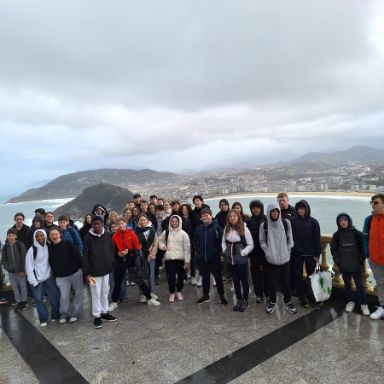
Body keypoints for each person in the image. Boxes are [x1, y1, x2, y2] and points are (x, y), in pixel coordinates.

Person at [109, 217, 160, 311]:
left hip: (131, 260)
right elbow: (112, 251)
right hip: (120, 261)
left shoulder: (131, 233)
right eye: (119, 224)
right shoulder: (114, 237)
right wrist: (118, 254)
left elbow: (137, 249)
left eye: (122, 223)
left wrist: (129, 251)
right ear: (117, 226)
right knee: (118, 282)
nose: (121, 225)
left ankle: (149, 298)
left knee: (139, 279)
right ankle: (114, 301)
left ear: (125, 224)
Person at [259, 204, 297, 315]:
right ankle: (272, 302)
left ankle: (288, 301)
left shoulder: (286, 223)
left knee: (286, 281)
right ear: (269, 212)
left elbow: (290, 239)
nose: (274, 213)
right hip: (270, 260)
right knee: (271, 282)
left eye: (276, 211)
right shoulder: (264, 225)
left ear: (279, 212)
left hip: (285, 259)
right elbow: (262, 241)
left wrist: (288, 250)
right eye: (272, 211)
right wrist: (267, 252)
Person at [331, 213, 369, 316]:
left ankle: (364, 304)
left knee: (360, 286)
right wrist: (338, 261)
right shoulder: (337, 235)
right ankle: (350, 302)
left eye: (345, 220)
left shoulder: (357, 233)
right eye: (341, 221)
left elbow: (364, 248)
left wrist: (360, 260)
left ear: (349, 221)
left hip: (356, 265)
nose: (343, 222)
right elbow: (333, 250)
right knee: (347, 285)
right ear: (338, 223)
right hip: (344, 265)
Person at [82, 216, 117, 329]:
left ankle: (104, 312)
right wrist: (87, 273)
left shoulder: (107, 235)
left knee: (105, 292)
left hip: (106, 269)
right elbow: (85, 256)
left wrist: (110, 260)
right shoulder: (87, 238)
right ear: (92, 225)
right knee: (95, 294)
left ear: (102, 224)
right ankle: (97, 316)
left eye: (98, 224)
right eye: (94, 224)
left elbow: (112, 248)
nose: (96, 226)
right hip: (93, 272)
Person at [25, 230, 60, 327]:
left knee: (55, 296)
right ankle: (43, 319)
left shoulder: (48, 246)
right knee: (38, 300)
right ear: (34, 238)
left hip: (49, 277)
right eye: (37, 236)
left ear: (45, 236)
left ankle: (55, 315)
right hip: (37, 280)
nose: (40, 238)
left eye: (41, 235)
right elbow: (29, 267)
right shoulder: (32, 250)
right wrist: (33, 281)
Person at [48, 228, 83, 323]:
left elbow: (77, 255)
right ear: (49, 237)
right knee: (64, 296)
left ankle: (75, 313)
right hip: (61, 277)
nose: (54, 236)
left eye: (56, 234)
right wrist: (56, 274)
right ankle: (63, 314)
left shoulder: (67, 243)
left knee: (78, 294)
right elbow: (51, 263)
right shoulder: (49, 248)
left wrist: (82, 268)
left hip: (75, 273)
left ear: (59, 234)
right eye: (52, 234)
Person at [290, 200, 321, 308]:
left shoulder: (313, 222)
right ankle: (302, 298)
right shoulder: (292, 221)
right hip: (296, 254)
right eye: (299, 208)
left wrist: (317, 254)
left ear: (307, 209)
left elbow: (317, 239)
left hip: (310, 254)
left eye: (302, 208)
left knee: (312, 277)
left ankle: (313, 297)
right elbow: (289, 237)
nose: (300, 210)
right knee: (298, 277)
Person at [194, 208, 228, 305]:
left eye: (207, 215)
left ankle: (222, 296)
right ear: (201, 218)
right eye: (203, 216)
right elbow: (194, 241)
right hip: (203, 258)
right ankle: (206, 296)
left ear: (211, 216)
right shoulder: (199, 229)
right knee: (205, 277)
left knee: (218, 278)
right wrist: (198, 251)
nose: (205, 217)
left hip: (214, 258)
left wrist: (215, 251)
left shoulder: (217, 228)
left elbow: (222, 241)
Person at [222, 210, 254, 312]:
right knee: (235, 281)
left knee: (244, 281)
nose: (232, 218)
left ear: (238, 217)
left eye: (234, 216)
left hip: (241, 259)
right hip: (230, 259)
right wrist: (225, 250)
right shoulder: (226, 229)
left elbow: (250, 244)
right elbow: (223, 241)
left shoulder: (244, 228)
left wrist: (243, 252)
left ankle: (245, 300)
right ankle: (239, 300)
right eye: (230, 216)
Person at [159, 215, 190, 303]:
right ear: (170, 222)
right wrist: (163, 246)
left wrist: (187, 261)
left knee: (181, 277)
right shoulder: (166, 232)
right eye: (173, 221)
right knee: (171, 278)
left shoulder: (184, 234)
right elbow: (160, 240)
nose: (174, 223)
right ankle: (172, 292)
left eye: (176, 221)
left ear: (179, 222)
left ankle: (179, 291)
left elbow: (187, 248)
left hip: (181, 259)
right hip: (169, 259)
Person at [363, 194, 384, 320]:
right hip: (375, 258)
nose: (373, 205)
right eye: (372, 202)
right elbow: (365, 237)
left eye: (375, 202)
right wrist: (367, 254)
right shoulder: (369, 219)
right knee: (381, 283)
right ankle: (382, 307)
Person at [246, 200, 267, 303]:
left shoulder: (267, 219)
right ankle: (258, 294)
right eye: (253, 208)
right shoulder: (249, 221)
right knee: (255, 274)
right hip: (254, 253)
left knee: (267, 273)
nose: (255, 209)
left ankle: (268, 293)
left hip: (265, 252)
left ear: (261, 208)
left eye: (257, 207)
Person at [1, 228, 28, 311]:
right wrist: (8, 268)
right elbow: (4, 260)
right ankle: (19, 302)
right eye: (9, 235)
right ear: (7, 236)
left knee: (23, 286)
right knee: (15, 287)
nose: (11, 237)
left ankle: (24, 301)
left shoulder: (20, 244)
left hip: (20, 271)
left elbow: (24, 258)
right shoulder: (5, 247)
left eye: (13, 235)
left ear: (16, 236)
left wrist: (23, 270)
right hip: (11, 272)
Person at [135, 214, 159, 299]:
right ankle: (142, 294)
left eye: (144, 220)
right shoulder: (136, 231)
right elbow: (135, 245)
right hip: (140, 257)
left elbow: (156, 244)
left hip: (151, 257)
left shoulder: (152, 230)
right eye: (141, 220)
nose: (142, 221)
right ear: (138, 221)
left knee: (150, 275)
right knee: (141, 276)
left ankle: (152, 292)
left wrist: (151, 255)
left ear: (147, 221)